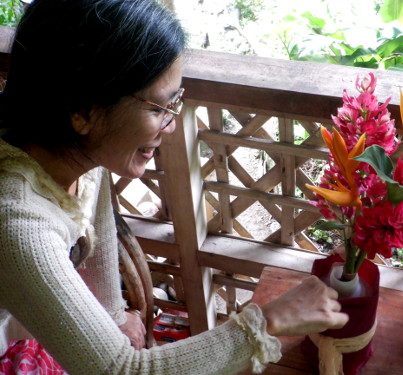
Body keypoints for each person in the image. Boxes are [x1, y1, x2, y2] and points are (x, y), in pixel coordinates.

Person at [0, 0, 348, 374]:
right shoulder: (18, 224)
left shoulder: (76, 150)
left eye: (176, 102)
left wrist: (115, 316)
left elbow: (100, 245)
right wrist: (268, 321)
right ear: (83, 112)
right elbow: (122, 371)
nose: (170, 124)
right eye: (158, 107)